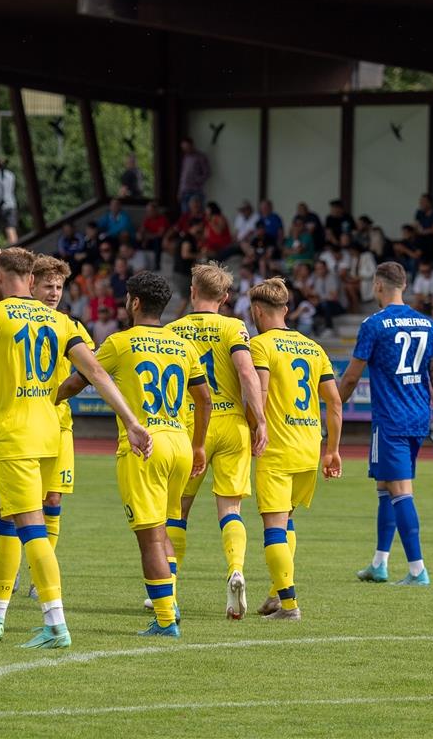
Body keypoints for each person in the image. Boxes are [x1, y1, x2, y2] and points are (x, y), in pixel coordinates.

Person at [0, 247, 153, 649]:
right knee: (10, 524)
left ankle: (55, 623)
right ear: (31, 279)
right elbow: (96, 371)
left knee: (30, 529)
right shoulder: (65, 321)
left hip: (15, 438)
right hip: (52, 436)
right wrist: (131, 421)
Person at [58, 271, 209, 637]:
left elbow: (81, 379)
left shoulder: (119, 343)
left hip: (144, 446)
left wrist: (49, 397)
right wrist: (199, 443)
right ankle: (169, 604)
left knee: (150, 537)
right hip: (178, 443)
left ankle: (164, 620)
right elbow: (204, 398)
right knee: (166, 529)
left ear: (135, 302)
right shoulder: (183, 346)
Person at [339, 262, 433, 587]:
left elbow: (351, 377)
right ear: (404, 285)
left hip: (390, 419)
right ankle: (380, 563)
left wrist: (331, 405)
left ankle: (418, 569)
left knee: (400, 491)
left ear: (378, 285)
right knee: (385, 487)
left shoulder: (374, 324)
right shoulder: (427, 324)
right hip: (418, 417)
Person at [164, 263, 267, 621]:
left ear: (192, 292)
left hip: (191, 428)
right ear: (224, 298)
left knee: (177, 510)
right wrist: (260, 420)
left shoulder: (173, 330)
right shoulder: (235, 327)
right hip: (232, 426)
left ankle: (168, 588)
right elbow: (246, 374)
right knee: (231, 510)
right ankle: (235, 568)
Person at [247, 277, 343, 620]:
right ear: (286, 310)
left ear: (256, 311)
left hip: (276, 448)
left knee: (273, 526)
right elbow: (334, 403)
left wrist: (257, 425)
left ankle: (289, 605)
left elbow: (260, 392)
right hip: (308, 448)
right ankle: (276, 592)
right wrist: (332, 450)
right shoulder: (314, 347)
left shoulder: (261, 346)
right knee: (287, 524)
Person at [7, 256, 93, 601]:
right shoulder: (12, 319)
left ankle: (37, 576)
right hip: (21, 424)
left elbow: (90, 367)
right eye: (48, 286)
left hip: (59, 427)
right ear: (31, 284)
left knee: (53, 499)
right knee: (13, 503)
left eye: (59, 286)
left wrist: (62, 392)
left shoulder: (68, 324)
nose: (55, 292)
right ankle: (9, 568)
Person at [178, 137, 210, 212]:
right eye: (184, 148)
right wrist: (179, 191)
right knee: (185, 215)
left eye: (187, 147)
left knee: (197, 213)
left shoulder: (200, 157)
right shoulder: (185, 158)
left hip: (196, 191)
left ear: (192, 145)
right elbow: (183, 176)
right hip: (185, 191)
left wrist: (196, 180)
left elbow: (207, 173)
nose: (185, 150)